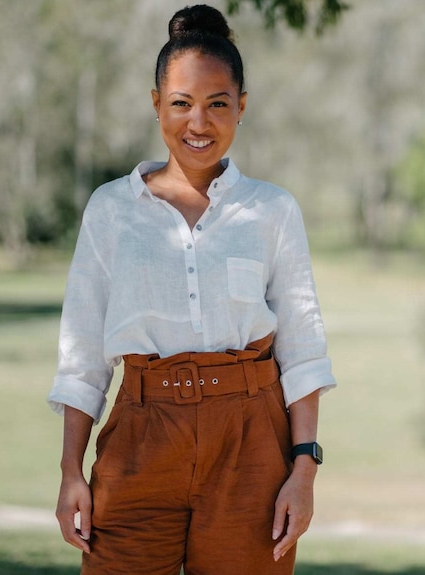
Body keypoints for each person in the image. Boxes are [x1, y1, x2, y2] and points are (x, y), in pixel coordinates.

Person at [47, 5, 336, 573]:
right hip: (140, 437)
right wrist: (69, 474)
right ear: (156, 103)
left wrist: (303, 468)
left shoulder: (272, 210)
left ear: (242, 107)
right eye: (180, 103)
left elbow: (302, 347)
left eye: (217, 104)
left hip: (251, 440)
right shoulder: (111, 210)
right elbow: (82, 355)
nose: (198, 123)